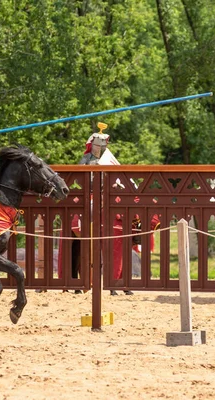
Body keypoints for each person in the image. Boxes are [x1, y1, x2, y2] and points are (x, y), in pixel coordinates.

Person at [74, 122, 132, 296]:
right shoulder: (85, 160)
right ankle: (80, 281)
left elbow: (120, 179)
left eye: (103, 144)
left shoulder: (111, 160)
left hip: (108, 201)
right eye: (98, 144)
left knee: (118, 241)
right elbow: (78, 178)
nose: (100, 147)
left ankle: (118, 282)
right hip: (89, 200)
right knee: (82, 239)